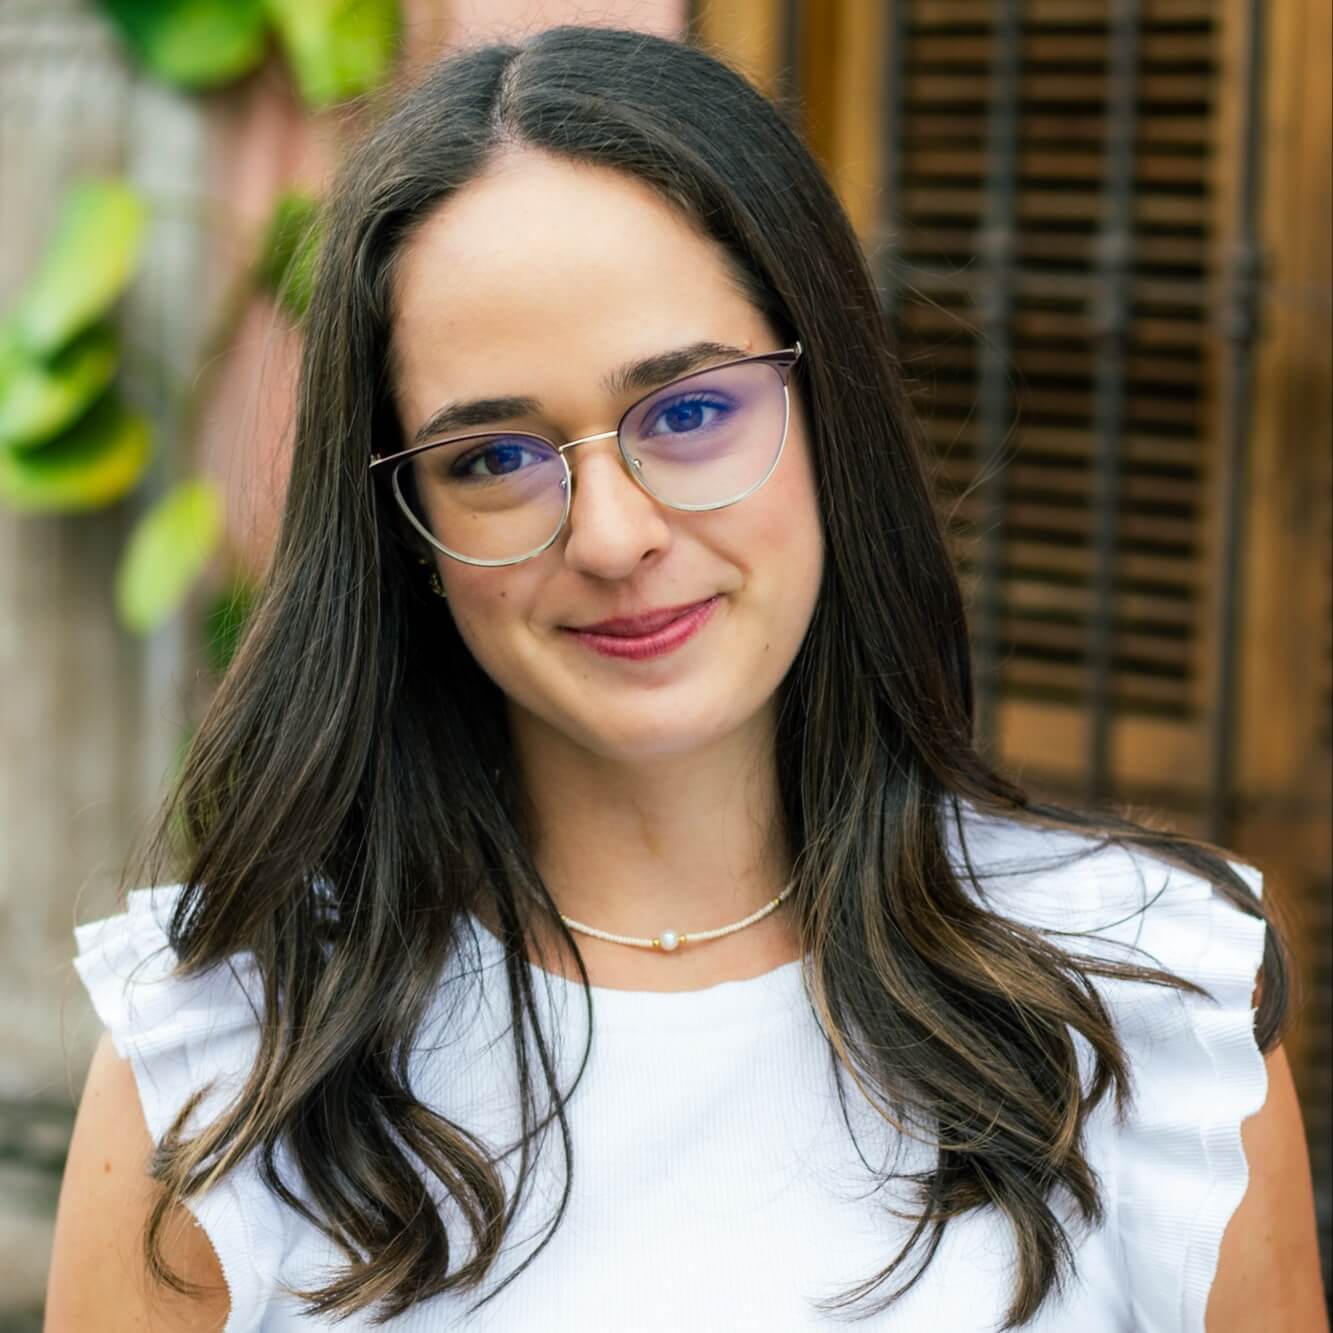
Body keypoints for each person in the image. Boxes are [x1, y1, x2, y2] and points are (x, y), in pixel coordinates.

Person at [45, 24, 1326, 1333]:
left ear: (828, 417)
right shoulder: (227, 1064)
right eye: (494, 458)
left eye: (692, 412)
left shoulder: (1144, 1009)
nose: (613, 538)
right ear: (407, 532)